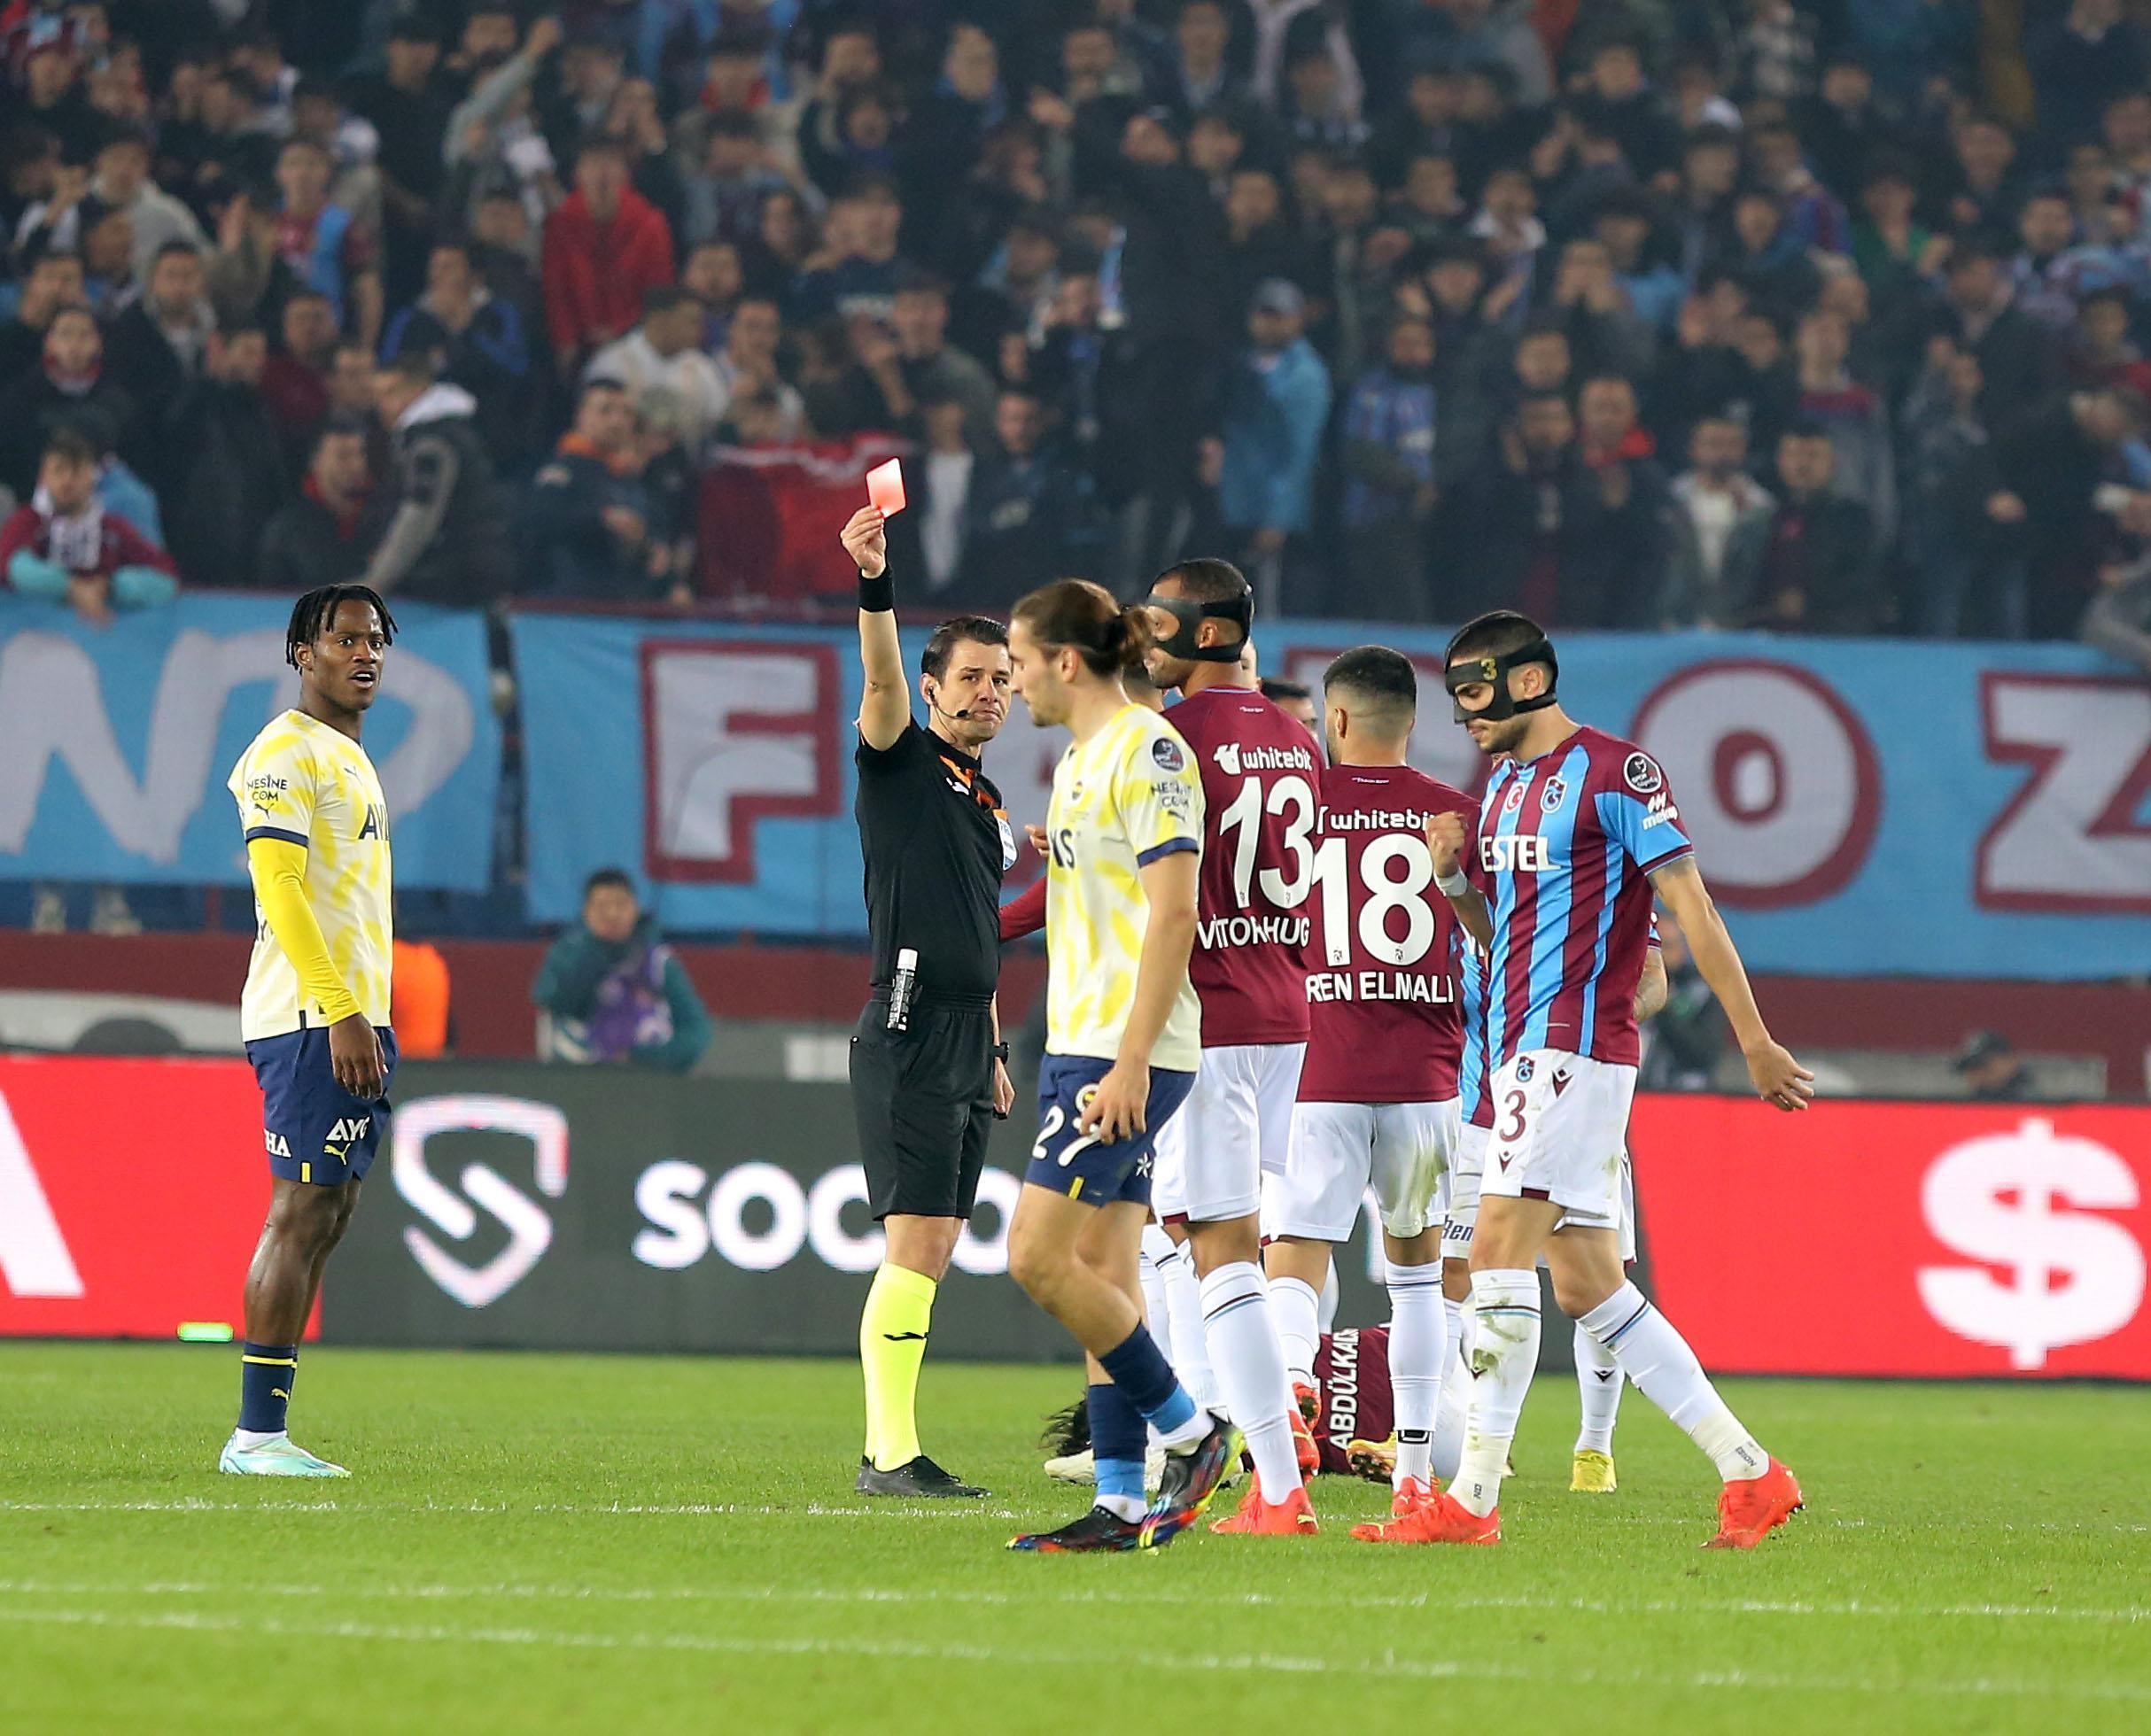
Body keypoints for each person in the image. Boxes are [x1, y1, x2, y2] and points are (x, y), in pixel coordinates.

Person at [1367, 609, 1812, 1549]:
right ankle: (1751, 1472)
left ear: (1530, 679)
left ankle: (1472, 1503)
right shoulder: (1500, 791)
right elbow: (1506, 943)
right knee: (1588, 1288)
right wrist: (1452, 888)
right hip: (1521, 1055)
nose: (1464, 713)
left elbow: (1689, 906)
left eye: (1476, 690)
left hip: (1569, 1051)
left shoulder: (1618, 774)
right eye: (1455, 697)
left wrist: (1754, 1041)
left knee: (1492, 1254)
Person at [1000, 577, 1238, 1552]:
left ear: (1064, 659)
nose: (1011, 684)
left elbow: (1176, 910)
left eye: (1016, 662)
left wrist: (1134, 1059)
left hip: (1120, 1051)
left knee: (1035, 1255)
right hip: (1084, 1039)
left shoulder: (1149, 749)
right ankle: (1121, 1501)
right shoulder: (1080, 760)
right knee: (1105, 1267)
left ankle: (1192, 1430)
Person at [1263, 646, 1474, 1520]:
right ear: (1412, 722)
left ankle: (1288, 1414)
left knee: (1291, 1257)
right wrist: (1453, 876)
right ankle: (1416, 1478)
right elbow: (1499, 944)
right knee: (1418, 1278)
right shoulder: (1455, 812)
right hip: (1424, 1080)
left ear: (1335, 721)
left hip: (1319, 1072)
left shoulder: (1296, 809)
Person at [835, 502, 1019, 1500]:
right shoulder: (900, 762)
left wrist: (992, 1045)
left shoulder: (982, 803)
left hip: (963, 1036)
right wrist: (874, 584)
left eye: (1003, 679)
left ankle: (896, 1449)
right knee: (916, 1241)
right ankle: (889, 1454)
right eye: (972, 678)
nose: (990, 692)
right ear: (931, 689)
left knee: (939, 1243)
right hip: (905, 1026)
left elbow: (979, 930)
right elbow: (874, 676)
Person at [1138, 555, 1321, 1537]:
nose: (1143, 636)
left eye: (1158, 620)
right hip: (1285, 1014)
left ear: (1207, 634)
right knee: (1209, 1236)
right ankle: (1244, 1439)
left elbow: (1144, 888)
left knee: (1216, 1251)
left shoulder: (1169, 741)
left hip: (1207, 1019)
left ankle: (1276, 1485)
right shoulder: (1298, 741)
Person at [218, 584, 400, 1478]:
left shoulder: (350, 757)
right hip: (310, 1016)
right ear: (304, 653)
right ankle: (256, 1438)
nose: (364, 655)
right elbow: (280, 892)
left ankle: (271, 1432)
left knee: (329, 1207)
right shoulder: (285, 754)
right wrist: (338, 1009)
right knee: (297, 1209)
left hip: (351, 1015)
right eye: (345, 640)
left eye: (375, 642)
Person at [362, 351, 512, 606]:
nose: (383, 406)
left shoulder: (432, 443)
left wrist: (375, 582)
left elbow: (419, 516)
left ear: (418, 389)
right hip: (474, 570)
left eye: (390, 393)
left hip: (452, 581)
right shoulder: (455, 431)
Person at [532, 868, 711, 1072]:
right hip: (579, 1075)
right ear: (586, 911)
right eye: (602, 906)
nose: (612, 914)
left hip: (650, 1078)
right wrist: (595, 955)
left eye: (621, 904)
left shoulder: (658, 961)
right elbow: (553, 1001)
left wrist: (641, 1058)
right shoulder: (565, 954)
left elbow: (695, 1031)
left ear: (635, 908)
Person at [258, 417, 380, 593]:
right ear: (315, 461)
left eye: (361, 454)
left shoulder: (381, 517)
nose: (358, 465)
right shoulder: (289, 530)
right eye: (343, 456)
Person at [1953, 1027, 2031, 1102]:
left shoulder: (2036, 1106)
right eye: (1970, 1067)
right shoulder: (1964, 1109)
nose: (1978, 1073)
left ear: (2011, 1061)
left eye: (1983, 1064)